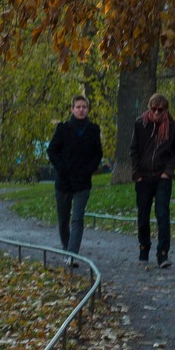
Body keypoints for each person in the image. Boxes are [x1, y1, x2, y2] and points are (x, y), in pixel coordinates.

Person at [129, 93, 175, 267]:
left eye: (160, 110)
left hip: (162, 176)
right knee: (143, 216)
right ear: (149, 108)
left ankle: (162, 253)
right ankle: (144, 250)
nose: (156, 113)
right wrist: (136, 173)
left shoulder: (173, 128)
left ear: (166, 110)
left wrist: (168, 171)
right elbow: (134, 150)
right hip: (143, 176)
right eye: (153, 109)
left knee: (162, 214)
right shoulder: (140, 124)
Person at [46, 94, 103, 254]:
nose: (81, 110)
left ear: (88, 109)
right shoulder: (63, 129)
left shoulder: (93, 130)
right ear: (72, 109)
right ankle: (66, 247)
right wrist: (61, 168)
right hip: (64, 182)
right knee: (63, 220)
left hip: (82, 182)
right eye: (78, 107)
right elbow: (51, 150)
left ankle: (72, 253)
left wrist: (89, 169)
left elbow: (97, 154)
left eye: (84, 107)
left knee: (77, 219)